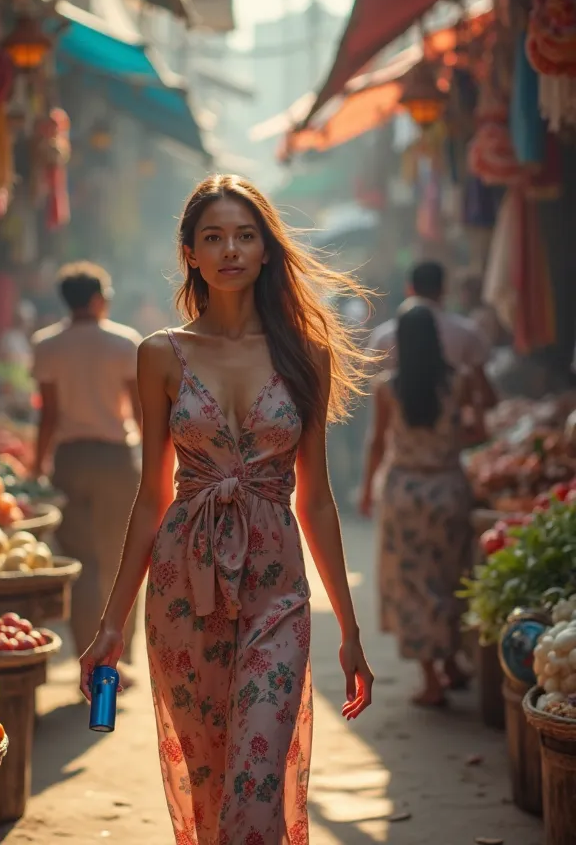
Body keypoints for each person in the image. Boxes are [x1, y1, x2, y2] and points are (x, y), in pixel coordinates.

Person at [80, 174, 373, 844]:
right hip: (185, 585)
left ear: (267, 250)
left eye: (245, 235)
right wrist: (109, 625)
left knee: (254, 782)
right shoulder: (159, 354)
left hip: (278, 588)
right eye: (213, 237)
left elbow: (319, 500)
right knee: (210, 780)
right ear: (190, 253)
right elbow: (152, 496)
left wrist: (350, 630)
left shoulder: (308, 353)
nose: (230, 249)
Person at [360, 303, 482, 708]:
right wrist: (446, 445)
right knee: (450, 578)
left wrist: (364, 490)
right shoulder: (459, 382)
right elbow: (477, 429)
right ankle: (451, 663)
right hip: (448, 490)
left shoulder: (387, 389)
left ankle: (432, 678)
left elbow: (377, 444)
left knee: (415, 585)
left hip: (405, 493)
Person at [31, 263, 142, 680]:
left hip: (70, 460)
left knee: (80, 565)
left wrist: (37, 464)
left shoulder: (47, 344)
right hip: (116, 459)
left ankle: (87, 657)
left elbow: (48, 416)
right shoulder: (123, 342)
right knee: (119, 560)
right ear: (98, 299)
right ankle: (120, 658)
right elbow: (140, 409)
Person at [369, 260, 497, 407]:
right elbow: (486, 395)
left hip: (400, 427)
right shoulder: (466, 332)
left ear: (409, 289)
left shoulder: (382, 337)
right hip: (451, 426)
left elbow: (375, 396)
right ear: (443, 289)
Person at [0, 300, 36, 371]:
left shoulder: (24, 338)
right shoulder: (9, 337)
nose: (28, 324)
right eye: (27, 321)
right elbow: (7, 358)